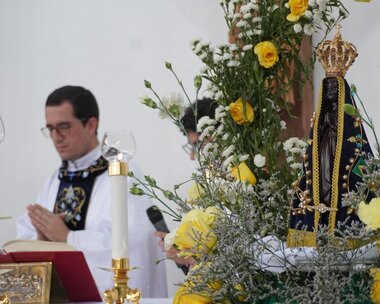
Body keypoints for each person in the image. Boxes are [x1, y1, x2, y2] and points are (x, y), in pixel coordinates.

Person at [16, 85, 167, 297]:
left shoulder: (122, 172)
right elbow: (24, 236)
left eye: (64, 127)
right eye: (50, 129)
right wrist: (41, 241)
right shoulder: (55, 180)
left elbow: (136, 244)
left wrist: (68, 238)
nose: (56, 137)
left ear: (91, 124)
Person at [154, 98, 217, 267]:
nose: (192, 156)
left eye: (197, 146)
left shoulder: (243, 181)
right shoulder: (201, 188)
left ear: (216, 136)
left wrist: (189, 258)